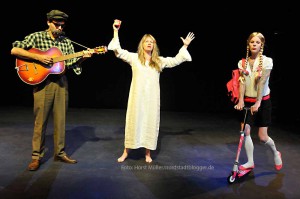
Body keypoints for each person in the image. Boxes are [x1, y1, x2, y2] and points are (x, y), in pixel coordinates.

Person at [11, 10, 94, 171]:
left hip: (61, 83)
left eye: (62, 25)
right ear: (48, 22)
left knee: (61, 120)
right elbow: (15, 50)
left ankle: (60, 153)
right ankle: (36, 157)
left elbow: (71, 63)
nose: (60, 27)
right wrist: (39, 58)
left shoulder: (66, 41)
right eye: (57, 24)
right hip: (43, 83)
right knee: (40, 121)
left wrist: (84, 56)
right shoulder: (37, 37)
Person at [107, 19, 195, 163]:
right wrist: (116, 30)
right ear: (142, 44)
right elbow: (118, 51)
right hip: (137, 98)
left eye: (152, 42)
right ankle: (126, 152)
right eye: (146, 41)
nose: (149, 43)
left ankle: (148, 153)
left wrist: (184, 46)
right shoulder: (134, 58)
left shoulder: (159, 61)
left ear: (154, 45)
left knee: (150, 122)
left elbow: (175, 60)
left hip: (151, 99)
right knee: (133, 121)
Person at [234, 32, 282, 171]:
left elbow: (262, 83)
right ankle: (250, 162)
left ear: (261, 45)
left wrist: (258, 102)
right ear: (248, 44)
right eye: (252, 42)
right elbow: (242, 82)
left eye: (257, 42)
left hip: (263, 101)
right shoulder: (242, 62)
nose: (254, 44)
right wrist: (241, 100)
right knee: (245, 132)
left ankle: (275, 153)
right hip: (248, 101)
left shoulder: (267, 61)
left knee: (262, 137)